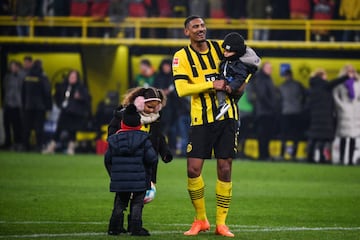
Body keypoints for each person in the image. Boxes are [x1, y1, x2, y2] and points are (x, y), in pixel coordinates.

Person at [172, 15, 239, 237]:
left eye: (202, 25)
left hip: (227, 116)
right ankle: (200, 220)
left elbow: (246, 63)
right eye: (195, 27)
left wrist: (239, 85)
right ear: (187, 32)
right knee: (193, 169)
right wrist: (212, 84)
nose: (201, 29)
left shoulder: (221, 48)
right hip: (201, 119)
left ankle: (221, 223)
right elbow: (182, 89)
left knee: (225, 167)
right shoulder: (181, 57)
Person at [105, 87, 172, 216]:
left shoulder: (156, 118)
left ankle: (123, 225)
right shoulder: (125, 114)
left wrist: (165, 152)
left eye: (155, 107)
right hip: (128, 162)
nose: (152, 110)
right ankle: (129, 225)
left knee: (137, 198)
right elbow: (112, 130)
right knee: (126, 198)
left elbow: (159, 137)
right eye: (149, 106)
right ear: (140, 102)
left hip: (146, 165)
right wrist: (117, 144)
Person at [107, 104, 158, 236]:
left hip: (120, 180)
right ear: (139, 124)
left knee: (120, 203)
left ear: (122, 124)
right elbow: (152, 158)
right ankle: (136, 228)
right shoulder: (144, 139)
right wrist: (148, 172)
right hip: (139, 180)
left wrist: (114, 174)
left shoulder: (113, 139)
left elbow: (107, 160)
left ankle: (114, 227)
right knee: (137, 203)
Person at [42, 70, 91, 155]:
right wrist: (60, 104)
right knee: (59, 129)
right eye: (71, 77)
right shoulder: (63, 86)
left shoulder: (81, 88)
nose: (72, 79)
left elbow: (87, 99)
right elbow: (57, 96)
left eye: (74, 77)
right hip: (65, 111)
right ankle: (51, 147)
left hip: (75, 113)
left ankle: (70, 148)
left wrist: (80, 97)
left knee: (72, 131)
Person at [306, 68, 349, 163]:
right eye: (325, 76)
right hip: (324, 115)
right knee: (323, 138)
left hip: (314, 116)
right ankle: (322, 158)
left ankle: (309, 157)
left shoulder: (312, 87)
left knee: (314, 138)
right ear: (322, 76)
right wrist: (346, 76)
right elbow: (335, 82)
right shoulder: (324, 85)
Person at [215, 32, 261, 120]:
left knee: (221, 93)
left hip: (232, 86)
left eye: (229, 51)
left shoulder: (239, 65)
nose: (225, 53)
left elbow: (240, 78)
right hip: (229, 84)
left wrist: (231, 87)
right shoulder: (229, 61)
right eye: (225, 50)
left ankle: (222, 106)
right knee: (233, 107)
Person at [332, 64, 360, 165]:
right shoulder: (340, 84)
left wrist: (357, 106)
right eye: (348, 71)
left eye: (352, 71)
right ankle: (341, 159)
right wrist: (341, 106)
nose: (351, 73)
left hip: (355, 113)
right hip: (344, 112)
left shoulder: (358, 83)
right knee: (343, 136)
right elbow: (335, 96)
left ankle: (350, 160)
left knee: (353, 137)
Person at [22, 59, 52, 151]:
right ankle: (39, 145)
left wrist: (24, 104)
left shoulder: (27, 76)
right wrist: (49, 106)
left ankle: (25, 145)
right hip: (40, 107)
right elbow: (47, 91)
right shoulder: (42, 76)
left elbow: (23, 92)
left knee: (27, 127)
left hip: (28, 106)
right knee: (39, 127)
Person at [252, 61, 279, 160]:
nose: (270, 69)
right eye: (268, 67)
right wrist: (272, 106)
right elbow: (262, 96)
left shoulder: (267, 79)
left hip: (267, 112)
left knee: (266, 135)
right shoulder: (262, 79)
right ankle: (263, 155)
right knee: (263, 135)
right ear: (263, 68)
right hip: (264, 112)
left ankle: (265, 154)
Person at [278, 69, 307, 160]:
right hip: (296, 112)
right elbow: (305, 96)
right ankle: (293, 154)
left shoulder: (281, 86)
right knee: (295, 135)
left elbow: (279, 100)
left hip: (285, 112)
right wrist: (301, 105)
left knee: (284, 135)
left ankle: (282, 154)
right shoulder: (298, 85)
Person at [153, 59, 178, 153]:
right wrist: (161, 92)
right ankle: (158, 149)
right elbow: (153, 90)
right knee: (159, 130)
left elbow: (178, 92)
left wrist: (169, 92)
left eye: (168, 66)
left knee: (172, 130)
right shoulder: (158, 77)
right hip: (159, 109)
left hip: (172, 109)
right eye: (165, 66)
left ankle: (172, 149)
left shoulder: (174, 78)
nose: (166, 68)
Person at [2, 60, 25, 150]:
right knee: (6, 125)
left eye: (14, 66)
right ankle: (8, 142)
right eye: (11, 66)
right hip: (7, 104)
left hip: (17, 105)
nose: (12, 68)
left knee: (17, 126)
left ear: (18, 67)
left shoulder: (21, 76)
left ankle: (17, 142)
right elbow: (5, 88)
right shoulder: (7, 77)